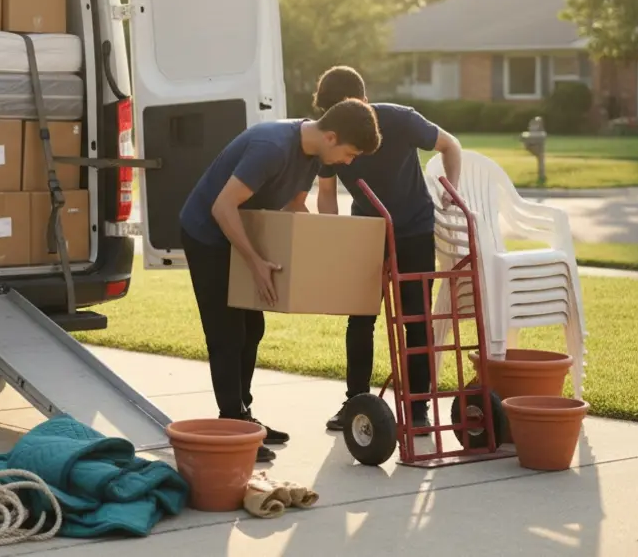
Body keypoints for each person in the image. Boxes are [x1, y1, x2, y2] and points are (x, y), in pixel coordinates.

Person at [178, 98, 383, 462]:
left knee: (252, 328)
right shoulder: (271, 147)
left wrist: (323, 252)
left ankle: (245, 417)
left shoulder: (311, 156)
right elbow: (222, 207)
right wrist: (255, 262)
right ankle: (233, 425)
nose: (349, 162)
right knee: (226, 333)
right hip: (208, 234)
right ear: (331, 137)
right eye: (350, 153)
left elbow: (293, 208)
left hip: (243, 231)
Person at [311, 66, 463, 431]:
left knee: (416, 318)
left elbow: (450, 145)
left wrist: (451, 192)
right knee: (360, 318)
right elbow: (327, 193)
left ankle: (418, 408)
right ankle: (355, 403)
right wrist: (335, 237)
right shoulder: (328, 138)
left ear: (361, 102)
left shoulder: (399, 119)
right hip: (367, 228)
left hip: (414, 226)